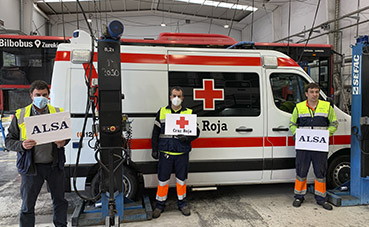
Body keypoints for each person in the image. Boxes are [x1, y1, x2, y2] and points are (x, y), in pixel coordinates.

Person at [5, 80, 69, 227]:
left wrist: (63, 142)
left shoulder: (57, 113)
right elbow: (8, 141)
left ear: (49, 95)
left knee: (60, 202)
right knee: (28, 205)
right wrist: (21, 145)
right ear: (31, 96)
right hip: (31, 169)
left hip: (54, 166)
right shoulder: (21, 114)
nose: (41, 97)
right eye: (38, 95)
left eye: (44, 94)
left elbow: (66, 137)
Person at [151, 86, 200, 218]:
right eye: (174, 95)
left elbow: (197, 132)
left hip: (181, 154)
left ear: (182, 98)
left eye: (179, 96)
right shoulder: (162, 112)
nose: (176, 98)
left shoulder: (188, 113)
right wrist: (154, 149)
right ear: (170, 97)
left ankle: (182, 204)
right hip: (165, 153)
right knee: (162, 180)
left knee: (181, 180)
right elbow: (155, 133)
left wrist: (187, 138)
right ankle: (159, 205)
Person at [289, 82, 338, 210]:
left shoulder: (327, 107)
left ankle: (321, 198)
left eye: (316, 92)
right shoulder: (299, 107)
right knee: (301, 171)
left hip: (319, 146)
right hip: (303, 146)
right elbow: (292, 124)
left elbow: (334, 124)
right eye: (312, 92)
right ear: (306, 94)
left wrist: (327, 134)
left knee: (320, 172)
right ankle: (298, 197)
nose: (314, 94)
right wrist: (297, 134)